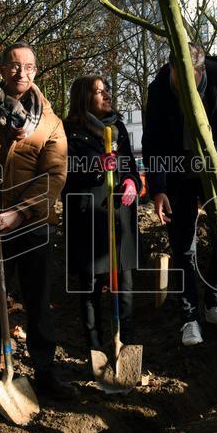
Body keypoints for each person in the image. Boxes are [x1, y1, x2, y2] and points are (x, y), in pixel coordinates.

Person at [0, 42, 76, 402]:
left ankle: (45, 371)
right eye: (14, 66)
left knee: (38, 301)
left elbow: (54, 174)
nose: (21, 73)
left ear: (36, 72)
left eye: (29, 67)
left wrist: (20, 211)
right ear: (2, 69)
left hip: (34, 223)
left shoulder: (50, 122)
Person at [142, 44, 217, 346]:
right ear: (170, 68)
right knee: (183, 246)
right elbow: (153, 142)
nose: (179, 83)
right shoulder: (158, 90)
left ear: (201, 70)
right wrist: (158, 189)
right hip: (178, 173)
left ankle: (215, 304)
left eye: (187, 78)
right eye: (175, 76)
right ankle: (189, 316)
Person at [62, 76, 141, 350]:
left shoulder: (117, 126)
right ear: (84, 98)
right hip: (88, 219)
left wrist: (132, 182)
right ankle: (94, 348)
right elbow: (63, 174)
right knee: (91, 288)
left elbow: (129, 164)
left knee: (126, 285)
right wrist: (95, 166)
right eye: (99, 92)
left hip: (121, 216)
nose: (107, 95)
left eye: (107, 89)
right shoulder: (67, 130)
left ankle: (126, 344)